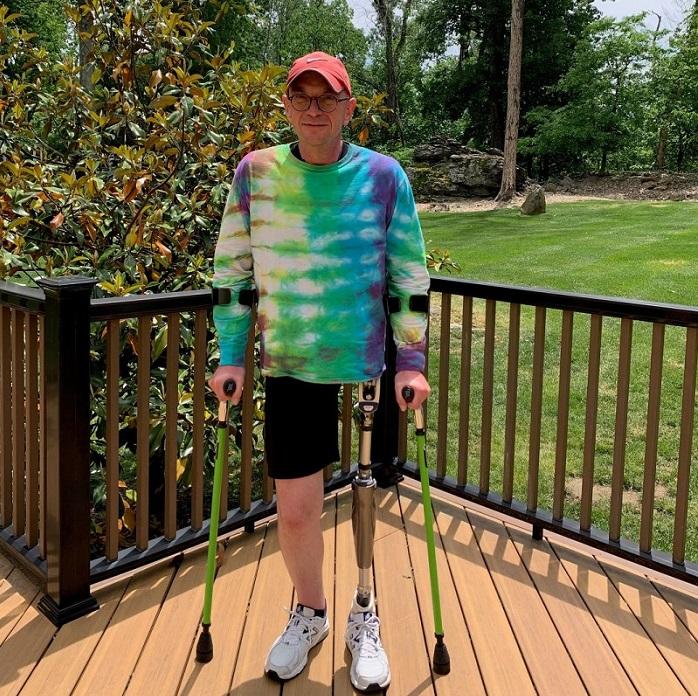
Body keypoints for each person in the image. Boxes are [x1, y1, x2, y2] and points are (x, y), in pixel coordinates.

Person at [209, 51, 430, 693]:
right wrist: (231, 353)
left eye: (326, 98)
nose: (313, 108)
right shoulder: (255, 173)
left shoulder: (385, 177)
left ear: (348, 108)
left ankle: (366, 614)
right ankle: (310, 611)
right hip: (291, 363)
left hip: (366, 363)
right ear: (286, 106)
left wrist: (410, 360)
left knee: (366, 499)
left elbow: (409, 274)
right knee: (299, 511)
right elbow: (232, 270)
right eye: (301, 96)